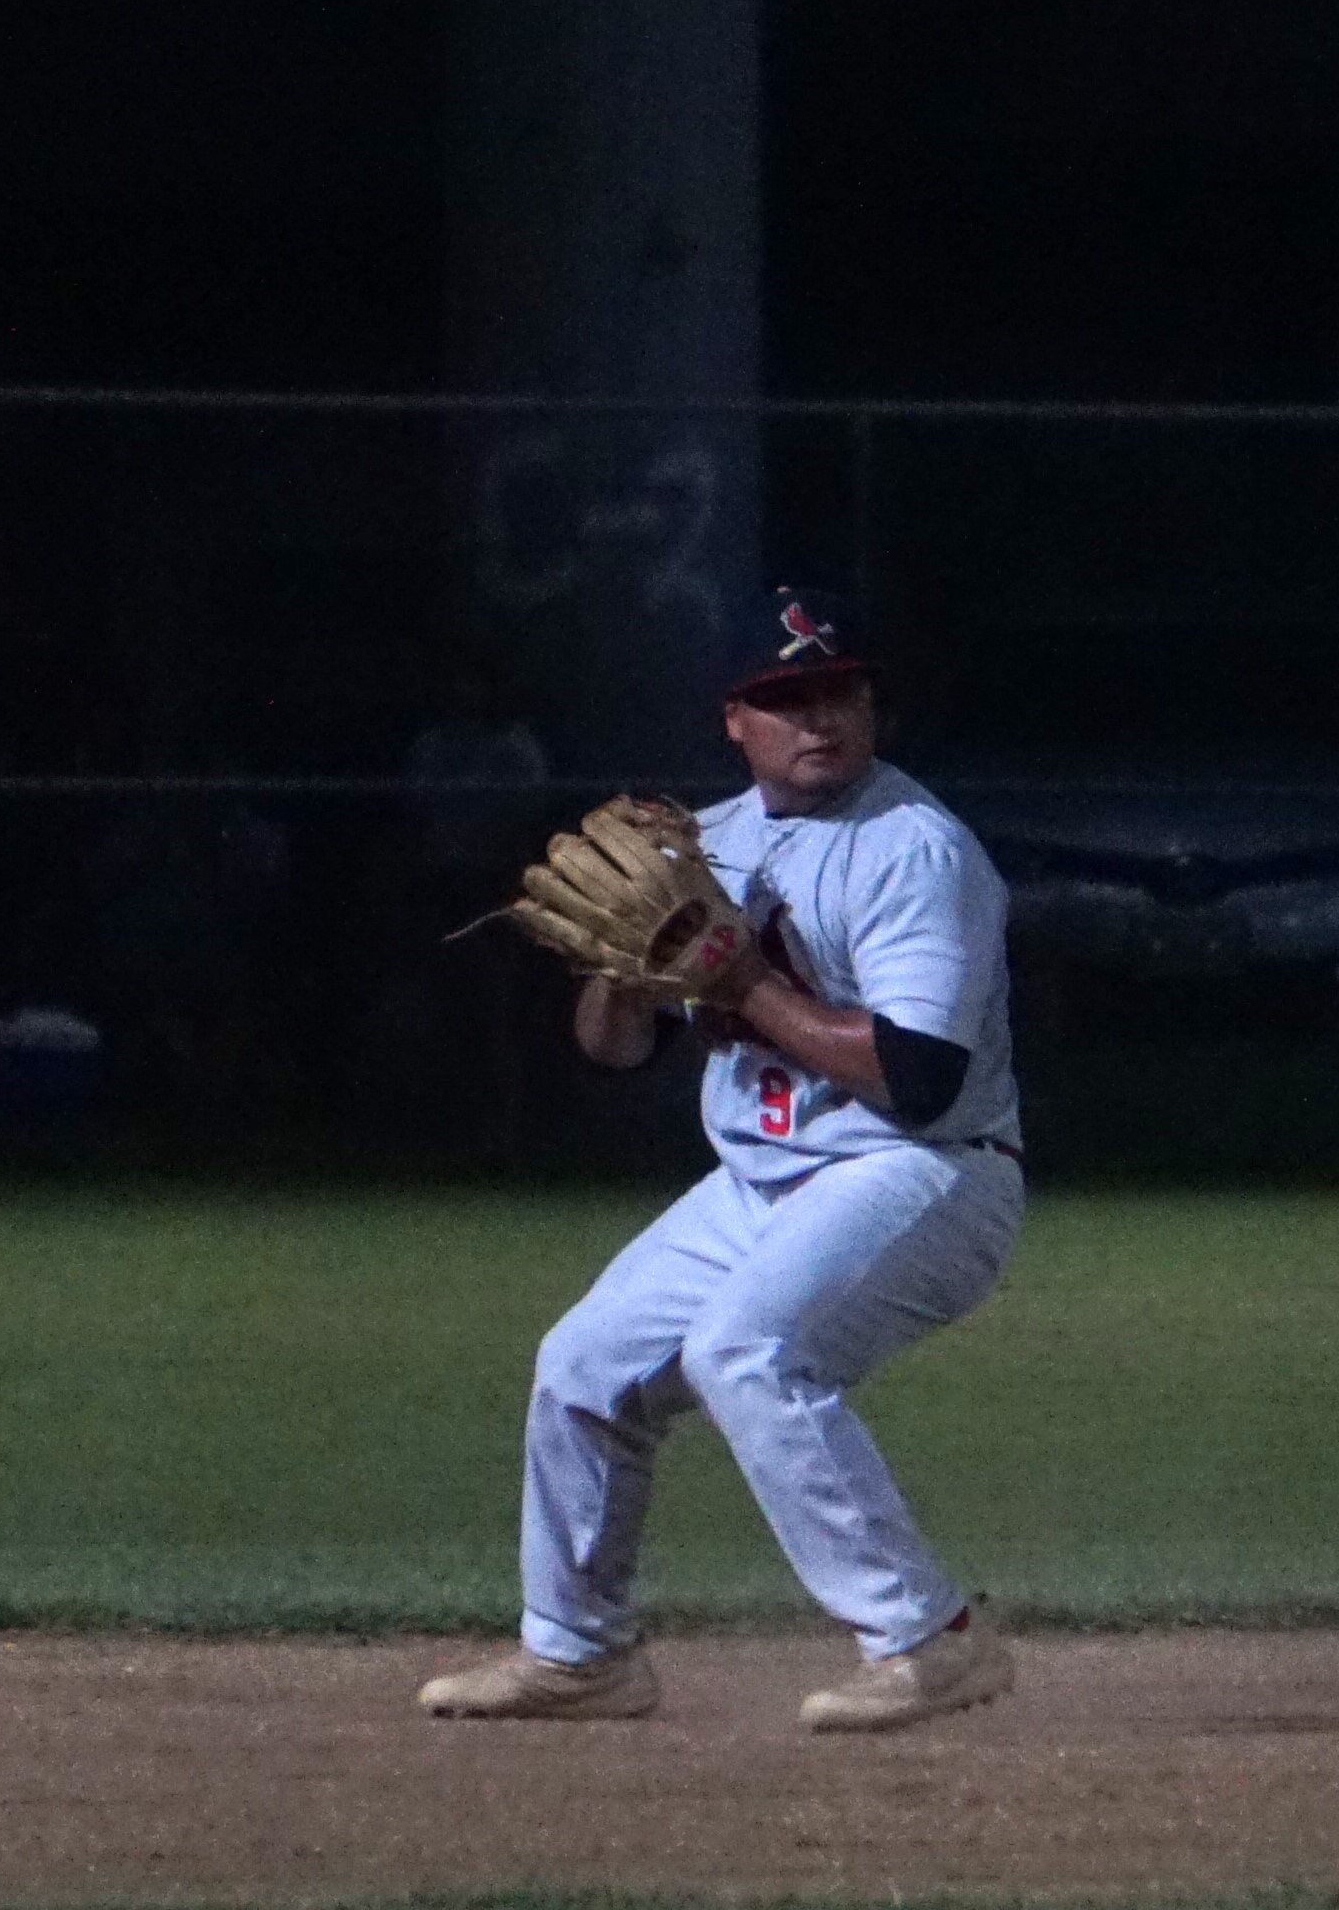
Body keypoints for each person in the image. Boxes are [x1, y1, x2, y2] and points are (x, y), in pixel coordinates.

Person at [419, 589, 1025, 1733]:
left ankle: (926, 1638)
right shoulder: (706, 841)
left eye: (839, 690)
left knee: (747, 1351)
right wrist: (625, 968)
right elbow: (613, 1051)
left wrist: (739, 979)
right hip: (763, 1183)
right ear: (734, 720)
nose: (820, 718)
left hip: (925, 1169)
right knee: (584, 1366)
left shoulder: (915, 849)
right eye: (786, 697)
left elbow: (919, 1077)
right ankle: (580, 1653)